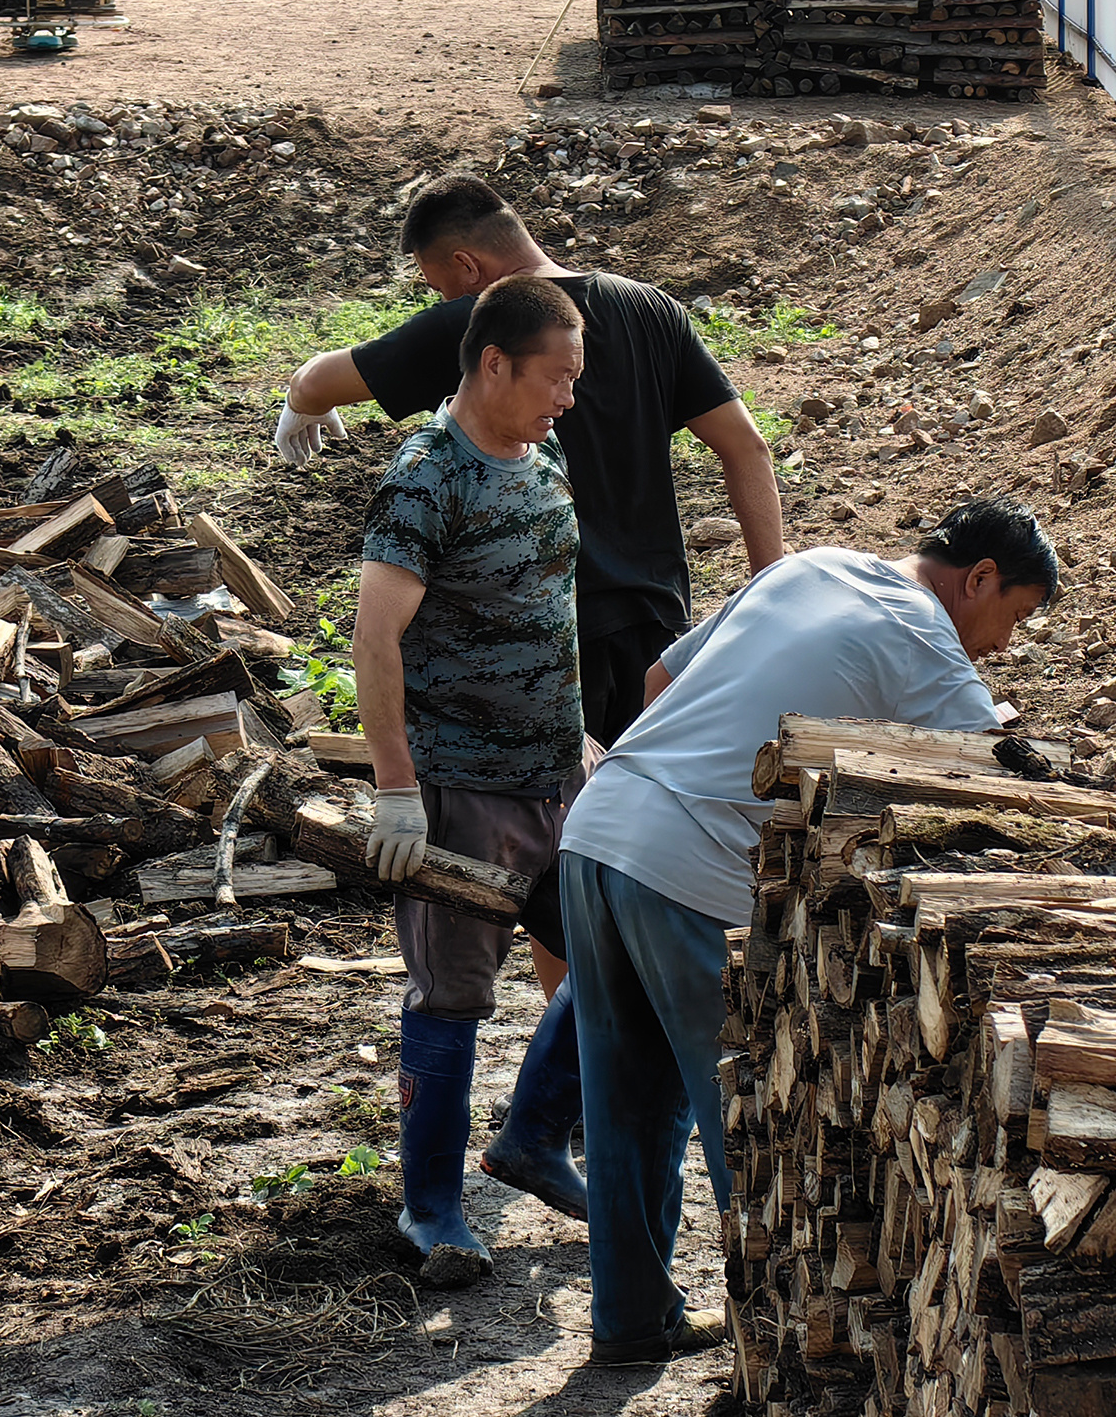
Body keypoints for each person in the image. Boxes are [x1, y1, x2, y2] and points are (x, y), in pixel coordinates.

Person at [551, 500, 1062, 1364]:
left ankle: (631, 1326)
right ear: (977, 579)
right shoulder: (923, 638)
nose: (1002, 645)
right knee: (736, 1116)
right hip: (688, 866)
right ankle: (775, 1350)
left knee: (623, 1099)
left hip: (597, 828)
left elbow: (658, 685)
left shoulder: (810, 564)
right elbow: (1004, 789)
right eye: (1010, 617)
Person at [278, 172, 786, 745]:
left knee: (552, 816)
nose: (444, 300)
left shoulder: (480, 327)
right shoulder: (651, 308)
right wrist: (768, 590)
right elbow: (747, 446)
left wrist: (299, 401)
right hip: (659, 625)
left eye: (440, 285)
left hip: (543, 638)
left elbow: (320, 380)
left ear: (467, 266)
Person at [352, 275, 594, 1287]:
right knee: (452, 996)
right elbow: (374, 640)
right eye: (554, 377)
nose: (567, 397)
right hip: (459, 787)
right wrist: (397, 785)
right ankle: (432, 1209)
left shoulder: (543, 454)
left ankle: (533, 1134)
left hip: (554, 776)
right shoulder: (424, 477)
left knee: (610, 957)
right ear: (493, 363)